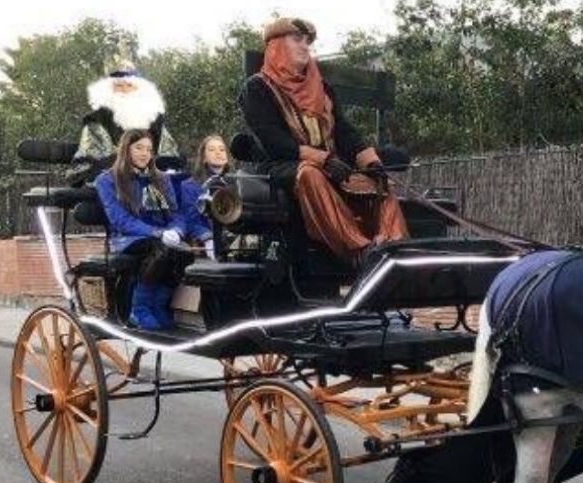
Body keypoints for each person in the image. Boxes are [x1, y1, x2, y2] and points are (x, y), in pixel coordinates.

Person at [238, 16, 407, 267]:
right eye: (297, 39)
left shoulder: (322, 88)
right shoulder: (256, 88)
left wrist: (370, 161)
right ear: (276, 45)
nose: (305, 46)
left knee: (380, 183)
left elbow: (345, 133)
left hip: (329, 165)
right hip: (281, 167)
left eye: (308, 41)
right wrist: (322, 159)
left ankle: (392, 248)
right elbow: (274, 143)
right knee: (310, 174)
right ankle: (359, 251)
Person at [95, 130, 210, 330]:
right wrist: (158, 233)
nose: (144, 154)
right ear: (126, 150)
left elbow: (176, 214)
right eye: (139, 148)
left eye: (149, 149)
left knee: (185, 252)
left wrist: (176, 230)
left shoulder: (161, 179)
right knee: (161, 249)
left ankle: (158, 306)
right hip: (126, 238)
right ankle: (138, 309)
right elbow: (120, 220)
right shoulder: (107, 180)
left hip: (160, 235)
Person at [70, 57, 181, 186]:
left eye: (129, 85)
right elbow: (94, 159)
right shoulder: (97, 120)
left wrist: (157, 168)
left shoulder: (154, 118)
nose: (124, 90)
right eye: (118, 85)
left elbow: (168, 153)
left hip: (151, 177)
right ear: (109, 90)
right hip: (113, 178)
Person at [173, 134, 232, 242]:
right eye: (212, 150)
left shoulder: (237, 183)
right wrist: (208, 237)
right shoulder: (188, 186)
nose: (218, 153)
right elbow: (191, 220)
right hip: (206, 240)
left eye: (222, 150)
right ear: (204, 158)